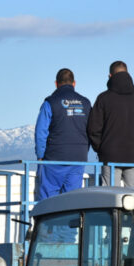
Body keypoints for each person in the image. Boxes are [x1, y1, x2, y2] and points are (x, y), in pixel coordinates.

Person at [87, 61, 134, 188]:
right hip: (133, 154)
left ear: (110, 76)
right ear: (128, 74)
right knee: (133, 196)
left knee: (110, 196)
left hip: (109, 154)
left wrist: (101, 147)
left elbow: (93, 129)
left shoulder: (103, 98)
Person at [34, 68, 92, 200]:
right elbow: (91, 129)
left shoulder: (50, 102)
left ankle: (48, 221)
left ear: (56, 83)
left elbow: (41, 132)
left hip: (54, 158)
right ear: (74, 83)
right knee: (72, 201)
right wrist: (83, 150)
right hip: (78, 158)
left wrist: (41, 155)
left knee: (48, 200)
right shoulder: (86, 103)